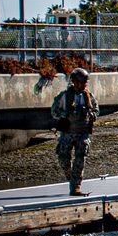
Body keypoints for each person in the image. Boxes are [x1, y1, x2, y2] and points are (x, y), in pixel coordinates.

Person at [51, 67, 99, 196]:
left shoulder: (88, 97)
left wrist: (92, 114)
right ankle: (70, 177)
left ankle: (75, 186)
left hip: (82, 133)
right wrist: (64, 114)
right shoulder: (64, 96)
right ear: (75, 82)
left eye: (85, 82)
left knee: (80, 160)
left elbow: (96, 109)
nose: (84, 84)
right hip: (67, 132)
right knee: (63, 159)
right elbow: (54, 111)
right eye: (82, 81)